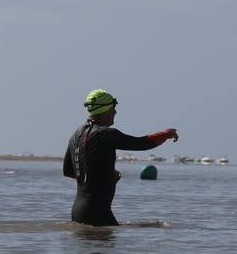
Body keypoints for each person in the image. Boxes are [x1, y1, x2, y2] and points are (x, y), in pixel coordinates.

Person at [62, 89, 179, 226]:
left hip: (78, 210)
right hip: (97, 212)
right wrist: (165, 134)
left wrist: (105, 175)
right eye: (113, 108)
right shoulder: (106, 134)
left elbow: (69, 171)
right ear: (104, 110)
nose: (115, 112)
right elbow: (140, 144)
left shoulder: (76, 135)